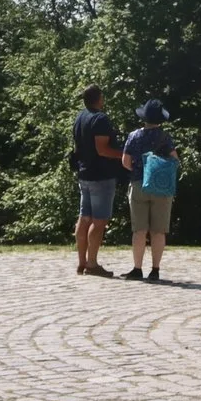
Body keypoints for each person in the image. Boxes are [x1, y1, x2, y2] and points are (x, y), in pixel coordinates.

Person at [119, 98, 179, 283]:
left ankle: (137, 269)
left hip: (138, 184)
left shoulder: (133, 136)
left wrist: (139, 172)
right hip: (161, 187)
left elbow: (125, 162)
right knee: (158, 231)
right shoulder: (165, 137)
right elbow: (175, 161)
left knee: (139, 230)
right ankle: (155, 270)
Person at [71, 84, 124, 276]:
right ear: (99, 98)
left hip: (84, 173)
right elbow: (102, 149)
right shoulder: (100, 119)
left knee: (84, 218)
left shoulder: (80, 117)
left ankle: (81, 262)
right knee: (99, 221)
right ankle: (92, 264)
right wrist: (124, 155)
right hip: (101, 175)